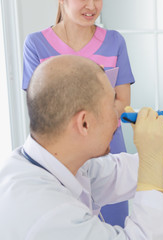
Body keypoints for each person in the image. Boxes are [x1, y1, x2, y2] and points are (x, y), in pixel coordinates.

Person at [0, 55, 163, 239]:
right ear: (84, 123)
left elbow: (122, 171)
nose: (122, 112)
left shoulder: (54, 163)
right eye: (112, 102)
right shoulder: (45, 214)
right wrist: (151, 158)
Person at [22, 0, 134, 225]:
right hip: (61, 156)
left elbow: (122, 101)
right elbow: (40, 110)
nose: (92, 6)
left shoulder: (114, 42)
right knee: (64, 225)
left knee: (115, 226)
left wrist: (84, 122)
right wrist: (95, 117)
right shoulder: (36, 44)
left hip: (109, 148)